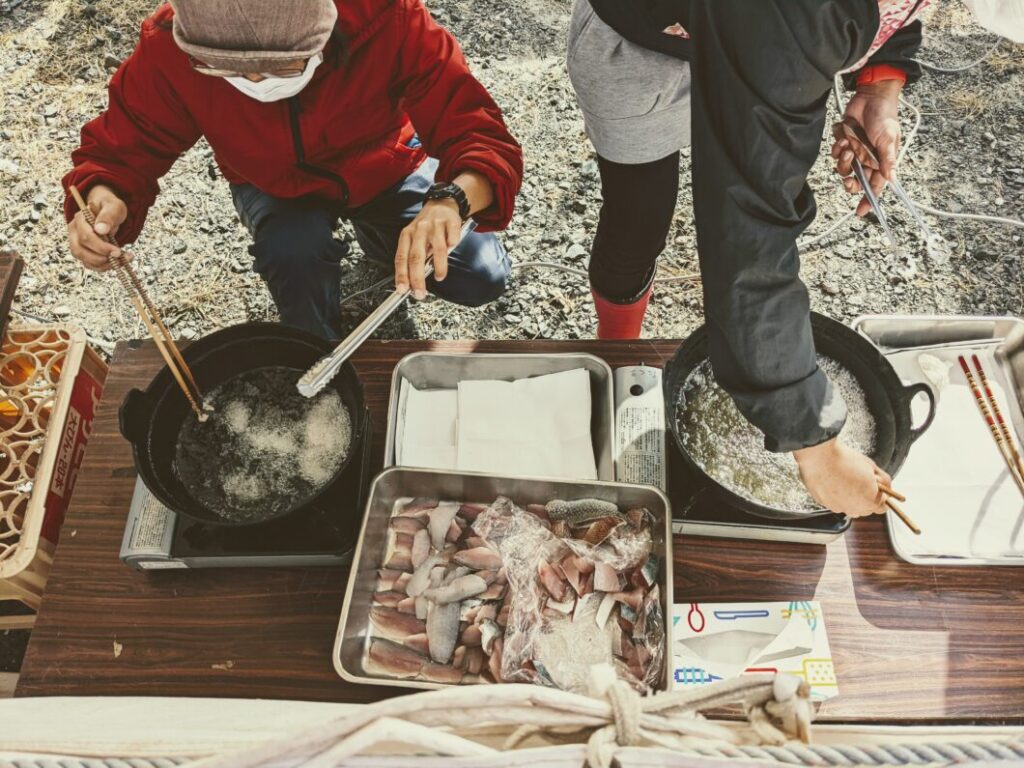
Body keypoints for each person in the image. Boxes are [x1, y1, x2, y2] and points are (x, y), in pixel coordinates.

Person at [567, 0, 1023, 518]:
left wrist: (880, 81)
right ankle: (617, 352)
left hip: (753, 40)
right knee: (638, 217)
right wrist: (818, 449)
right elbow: (749, 225)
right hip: (645, 48)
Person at [63, 0, 523, 341]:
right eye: (230, 70)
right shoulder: (171, 46)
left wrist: (452, 200)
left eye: (285, 63)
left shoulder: (387, 16)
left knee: (481, 273)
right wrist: (106, 194)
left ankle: (383, 239)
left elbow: (476, 129)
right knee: (294, 258)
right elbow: (125, 145)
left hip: (384, 164)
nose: (261, 83)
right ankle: (314, 346)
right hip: (272, 183)